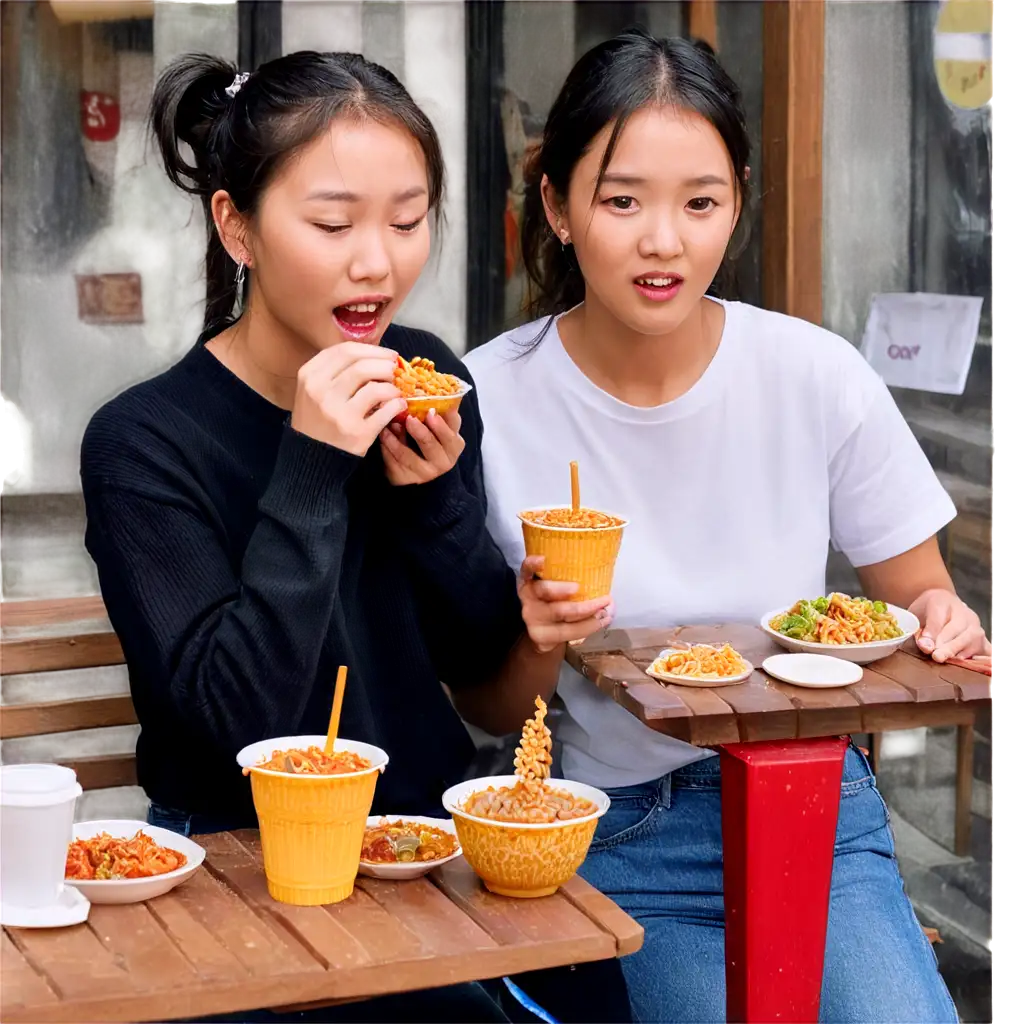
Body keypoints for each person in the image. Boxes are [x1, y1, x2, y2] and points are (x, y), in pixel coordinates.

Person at [79, 49, 617, 1024]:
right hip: (239, 872)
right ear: (234, 224)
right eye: (333, 223)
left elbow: (477, 672)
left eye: (408, 221)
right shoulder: (143, 442)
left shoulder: (426, 375)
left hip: (428, 846)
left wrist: (437, 501)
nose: (378, 260)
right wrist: (314, 463)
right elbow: (232, 724)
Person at [464, 30, 989, 1024]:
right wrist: (538, 631)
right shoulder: (489, 397)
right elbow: (493, 709)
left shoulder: (813, 373)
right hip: (621, 827)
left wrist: (940, 618)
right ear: (557, 208)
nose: (663, 240)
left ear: (737, 206)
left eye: (699, 202)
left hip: (819, 817)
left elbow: (920, 592)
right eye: (622, 200)